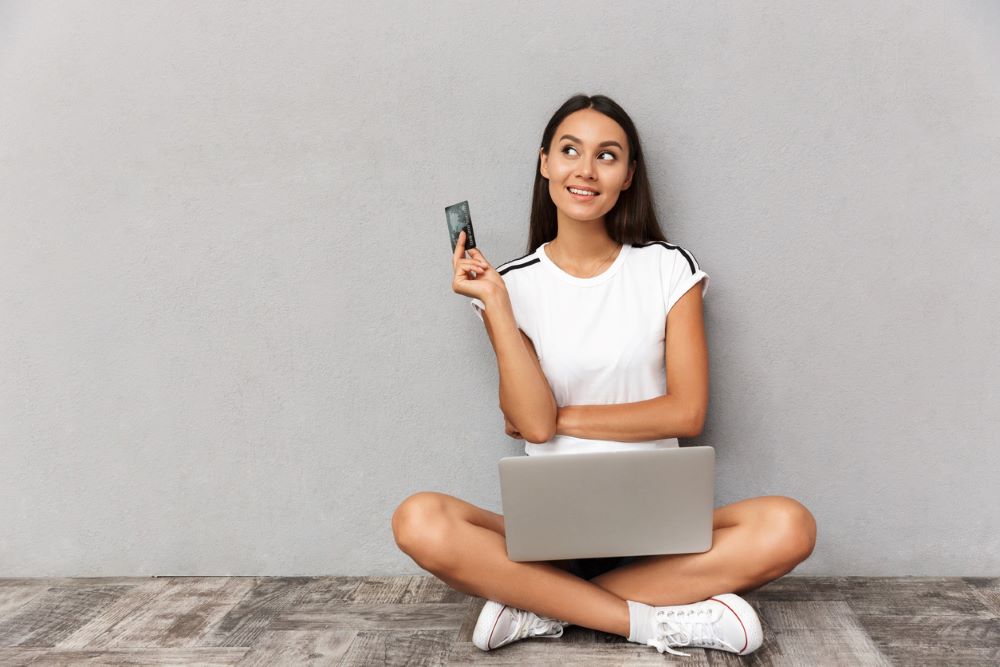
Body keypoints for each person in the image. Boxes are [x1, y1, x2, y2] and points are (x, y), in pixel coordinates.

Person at [392, 94, 817, 657]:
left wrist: (563, 417)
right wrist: (495, 303)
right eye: (570, 151)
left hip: (658, 528)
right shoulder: (511, 284)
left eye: (607, 155)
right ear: (545, 163)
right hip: (551, 537)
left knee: (791, 526)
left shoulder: (669, 268)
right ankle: (652, 623)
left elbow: (685, 411)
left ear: (628, 175)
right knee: (418, 519)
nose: (585, 170)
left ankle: (538, 606)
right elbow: (531, 428)